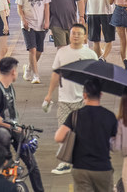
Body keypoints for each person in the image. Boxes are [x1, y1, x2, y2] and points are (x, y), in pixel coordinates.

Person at [44, 22, 98, 175]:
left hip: (83, 100)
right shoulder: (62, 53)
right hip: (64, 101)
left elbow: (96, 77)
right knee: (64, 132)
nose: (75, 36)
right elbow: (55, 74)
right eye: (73, 33)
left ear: (85, 36)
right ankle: (65, 163)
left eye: (79, 34)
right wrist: (49, 95)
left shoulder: (90, 54)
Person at [0, 57, 45, 192]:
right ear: (12, 72)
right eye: (16, 71)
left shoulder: (9, 87)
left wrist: (18, 128)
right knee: (3, 135)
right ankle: (7, 163)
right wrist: (11, 127)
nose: (16, 73)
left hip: (12, 127)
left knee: (32, 164)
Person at [54, 79, 118, 192]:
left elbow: (58, 137)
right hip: (103, 168)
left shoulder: (75, 115)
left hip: (81, 168)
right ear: (101, 95)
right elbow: (117, 145)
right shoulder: (110, 116)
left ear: (84, 95)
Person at [16, 0, 50, 84]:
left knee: (39, 51)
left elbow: (46, 6)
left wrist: (47, 21)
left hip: (41, 25)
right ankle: (36, 75)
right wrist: (23, 19)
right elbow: (19, 8)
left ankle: (29, 68)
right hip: (28, 25)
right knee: (33, 50)